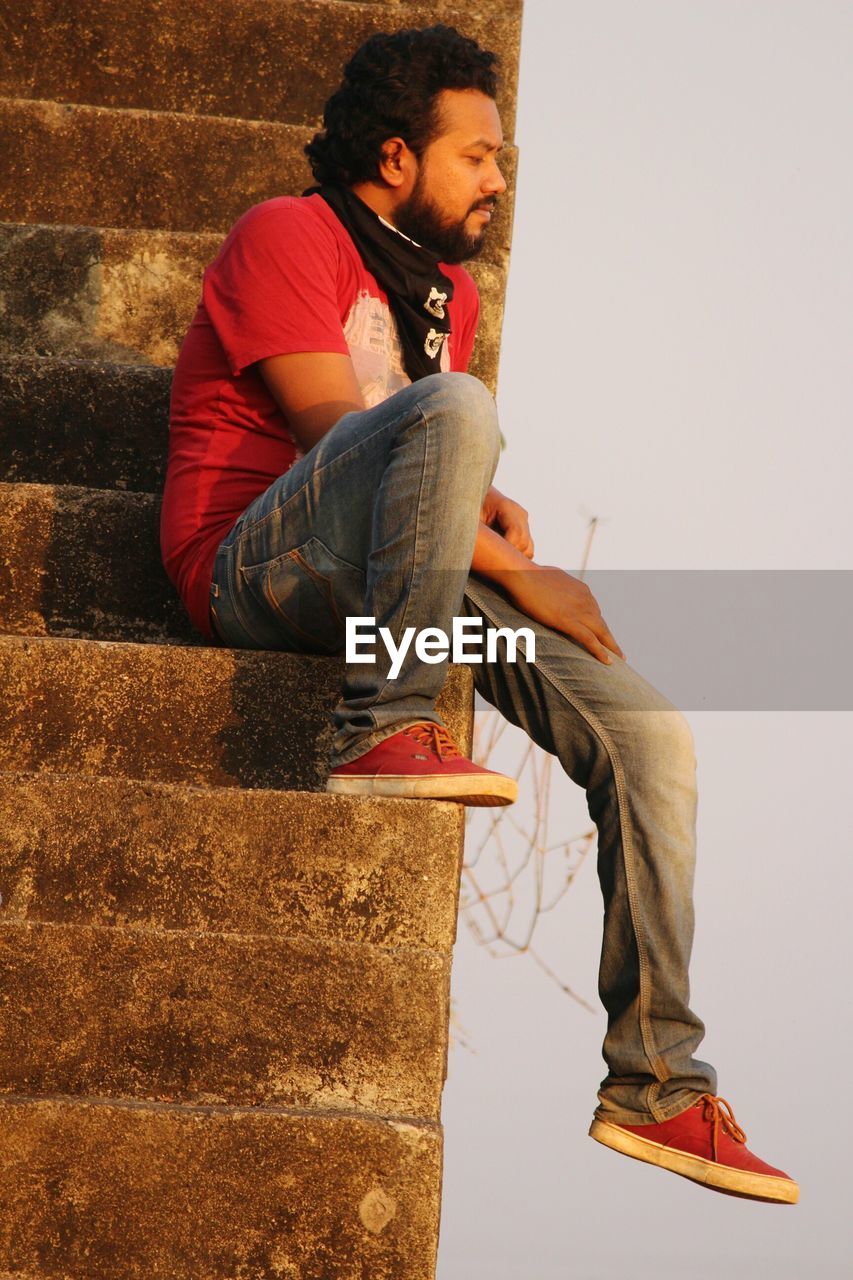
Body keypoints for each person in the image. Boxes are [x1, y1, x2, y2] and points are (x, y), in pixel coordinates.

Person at [160, 24, 798, 1205]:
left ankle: (657, 1080)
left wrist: (488, 524)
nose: (499, 180)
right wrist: (513, 568)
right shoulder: (285, 233)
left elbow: (423, 467)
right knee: (458, 410)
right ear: (397, 159)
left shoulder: (441, 291)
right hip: (256, 563)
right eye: (479, 157)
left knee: (651, 734)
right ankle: (381, 724)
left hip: (391, 578)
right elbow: (327, 431)